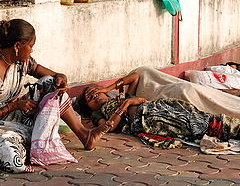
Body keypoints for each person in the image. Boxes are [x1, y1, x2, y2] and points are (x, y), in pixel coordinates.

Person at [0, 19, 112, 173]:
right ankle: (33, 143)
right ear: (17, 46)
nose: (31, 51)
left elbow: (43, 71)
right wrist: (14, 106)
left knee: (51, 84)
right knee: (8, 149)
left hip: (19, 114)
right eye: (30, 46)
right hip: (3, 122)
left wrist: (60, 77)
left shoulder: (21, 63)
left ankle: (84, 135)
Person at [74, 66, 240, 148]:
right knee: (190, 123)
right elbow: (108, 127)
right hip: (147, 120)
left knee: (197, 116)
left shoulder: (120, 97)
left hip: (158, 106)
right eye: (88, 97)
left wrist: (107, 88)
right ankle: (232, 129)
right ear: (88, 107)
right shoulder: (99, 113)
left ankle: (233, 127)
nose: (93, 94)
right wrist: (126, 104)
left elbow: (136, 76)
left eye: (94, 91)